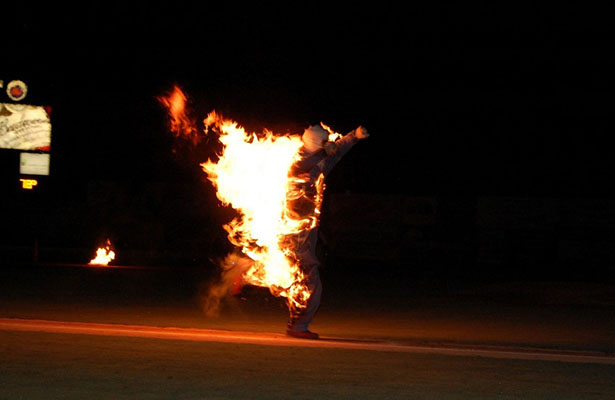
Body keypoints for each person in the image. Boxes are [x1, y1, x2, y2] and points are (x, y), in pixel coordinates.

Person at [284, 124, 369, 339]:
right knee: (309, 281)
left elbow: (335, 152)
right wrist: (325, 150)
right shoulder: (296, 160)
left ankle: (297, 324)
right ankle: (298, 326)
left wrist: (354, 137)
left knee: (300, 280)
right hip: (295, 232)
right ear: (317, 144)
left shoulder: (320, 160)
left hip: (305, 230)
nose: (328, 145)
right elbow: (308, 162)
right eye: (323, 143)